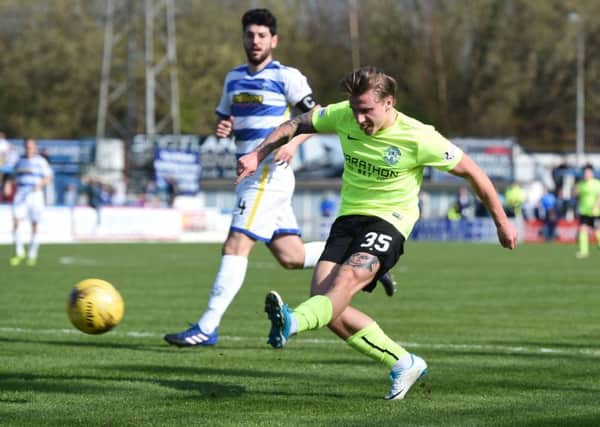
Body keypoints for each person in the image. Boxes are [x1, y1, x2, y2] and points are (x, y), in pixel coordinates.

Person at [236, 66, 517, 400]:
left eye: (366, 111)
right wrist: (257, 153)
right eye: (355, 110)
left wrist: (501, 221)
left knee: (344, 284)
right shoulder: (342, 115)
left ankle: (292, 323)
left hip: (390, 221)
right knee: (328, 305)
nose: (358, 119)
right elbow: (296, 123)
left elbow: (473, 171)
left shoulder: (418, 135)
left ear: (389, 103)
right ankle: (403, 361)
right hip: (348, 220)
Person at [164, 10, 397, 348]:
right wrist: (223, 126)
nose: (255, 41)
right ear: (243, 38)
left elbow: (313, 118)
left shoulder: (287, 77)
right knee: (291, 256)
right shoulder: (233, 79)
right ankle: (366, 260)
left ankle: (206, 327)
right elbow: (225, 118)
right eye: (250, 35)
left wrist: (294, 144)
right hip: (249, 173)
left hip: (268, 174)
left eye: (261, 35)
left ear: (273, 40)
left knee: (236, 244)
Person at [4, 139, 53, 266]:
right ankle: (19, 252)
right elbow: (12, 176)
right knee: (16, 221)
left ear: (35, 147)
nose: (29, 149)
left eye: (31, 146)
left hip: (35, 195)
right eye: (27, 146)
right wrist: (8, 185)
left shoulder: (40, 161)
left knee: (35, 225)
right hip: (21, 194)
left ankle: (32, 254)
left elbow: (48, 177)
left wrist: (40, 184)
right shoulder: (19, 161)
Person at [574, 164, 600, 258]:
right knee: (583, 230)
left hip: (596, 212)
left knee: (597, 231)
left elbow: (599, 196)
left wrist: (596, 206)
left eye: (588, 172)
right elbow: (576, 194)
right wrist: (575, 189)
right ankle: (584, 252)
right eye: (585, 173)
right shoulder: (581, 184)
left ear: (592, 173)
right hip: (584, 211)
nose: (586, 174)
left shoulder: (597, 183)